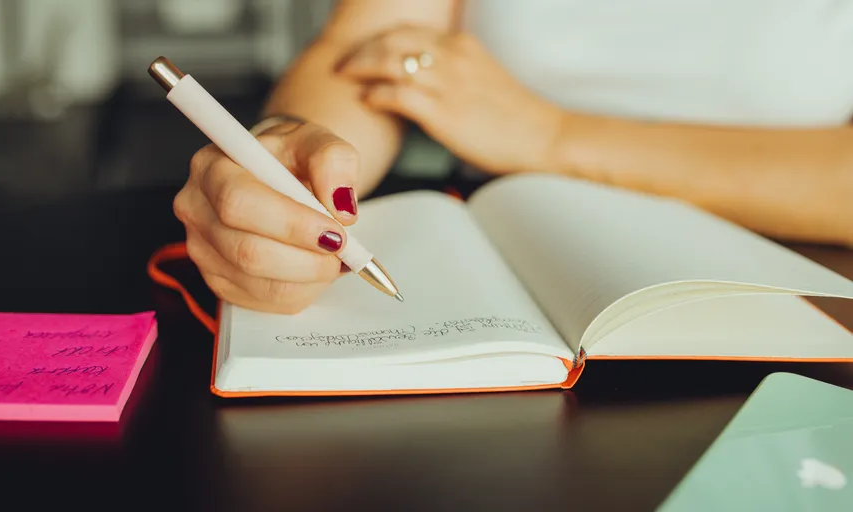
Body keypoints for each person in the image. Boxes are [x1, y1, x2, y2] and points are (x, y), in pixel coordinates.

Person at [171, 0, 853, 314]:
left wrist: (551, 136)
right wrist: (295, 147)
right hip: (505, 251)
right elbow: (365, 48)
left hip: (806, 298)